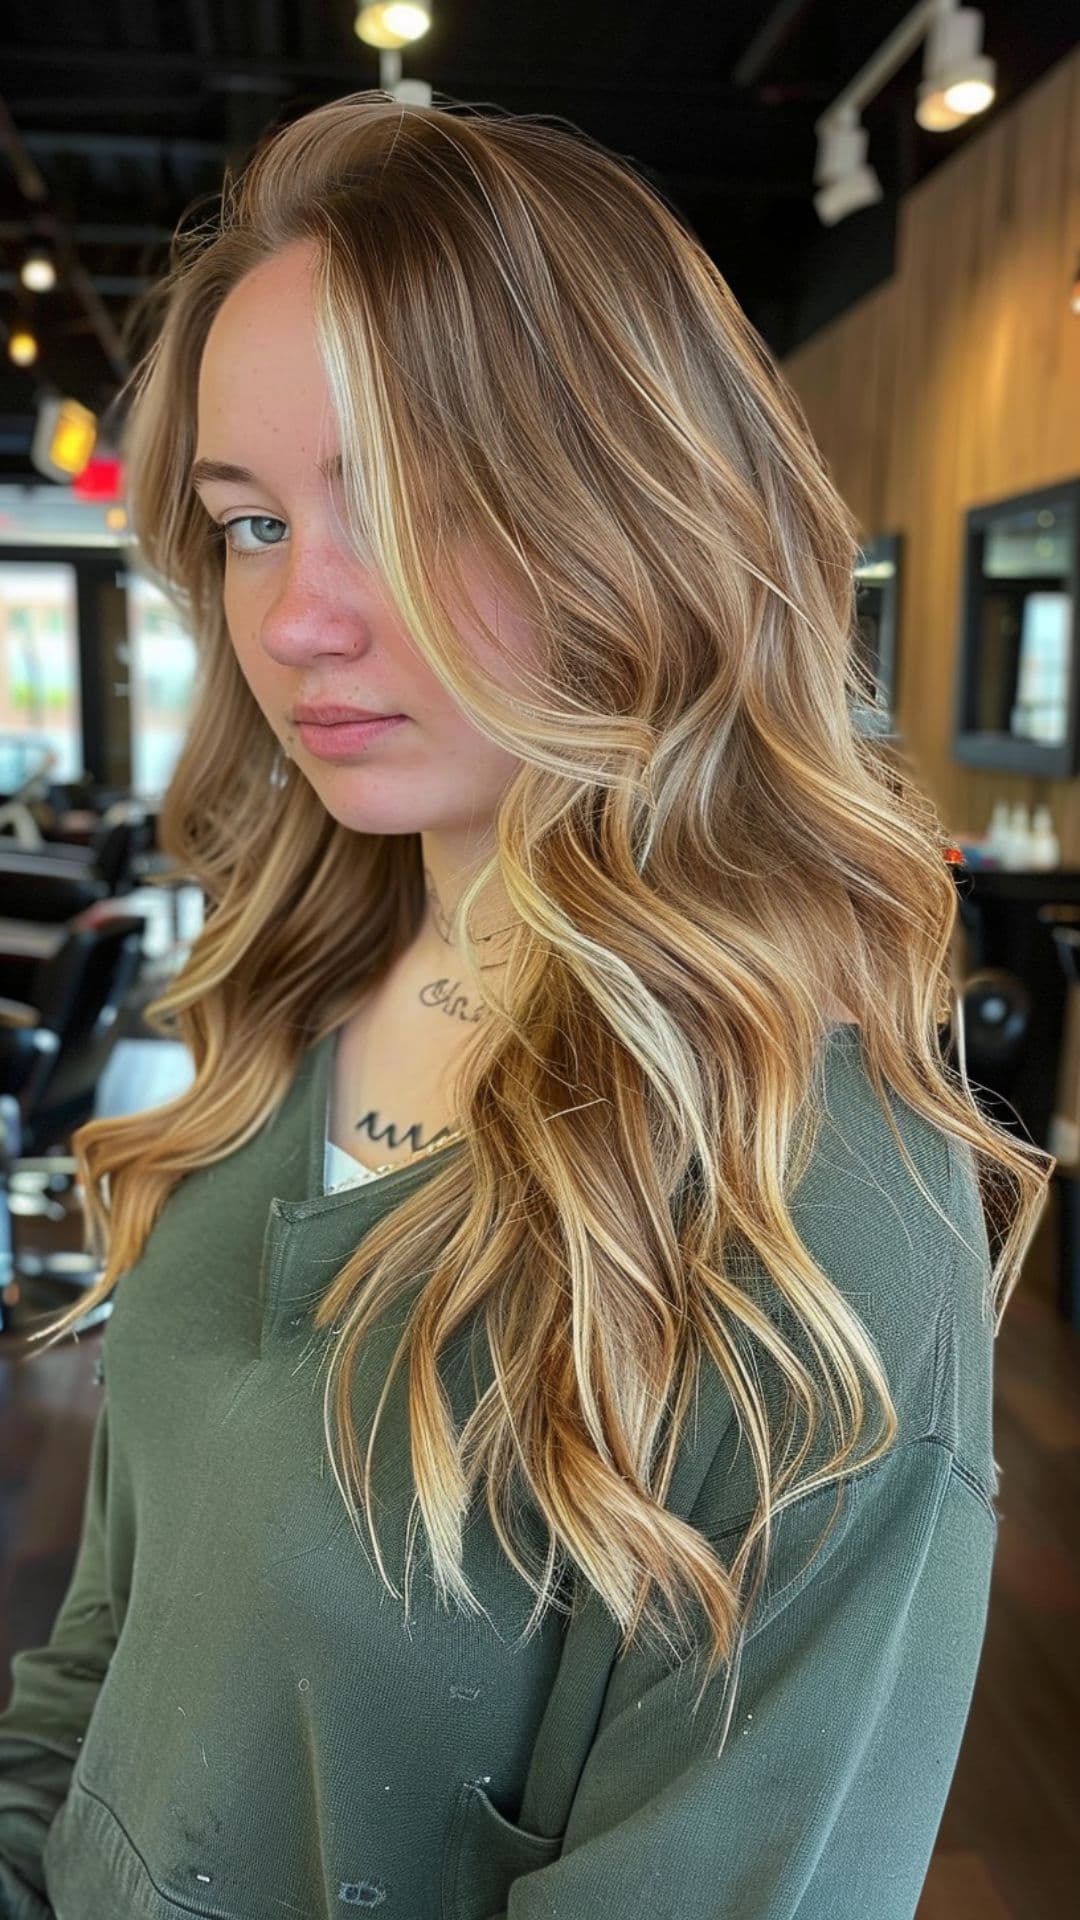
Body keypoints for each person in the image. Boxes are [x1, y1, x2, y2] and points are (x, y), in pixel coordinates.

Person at [0, 90, 1053, 1920]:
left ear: (633, 522)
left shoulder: (827, 1227)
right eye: (251, 527)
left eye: (411, 508)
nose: (298, 620)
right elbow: (111, 1664)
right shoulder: (281, 1015)